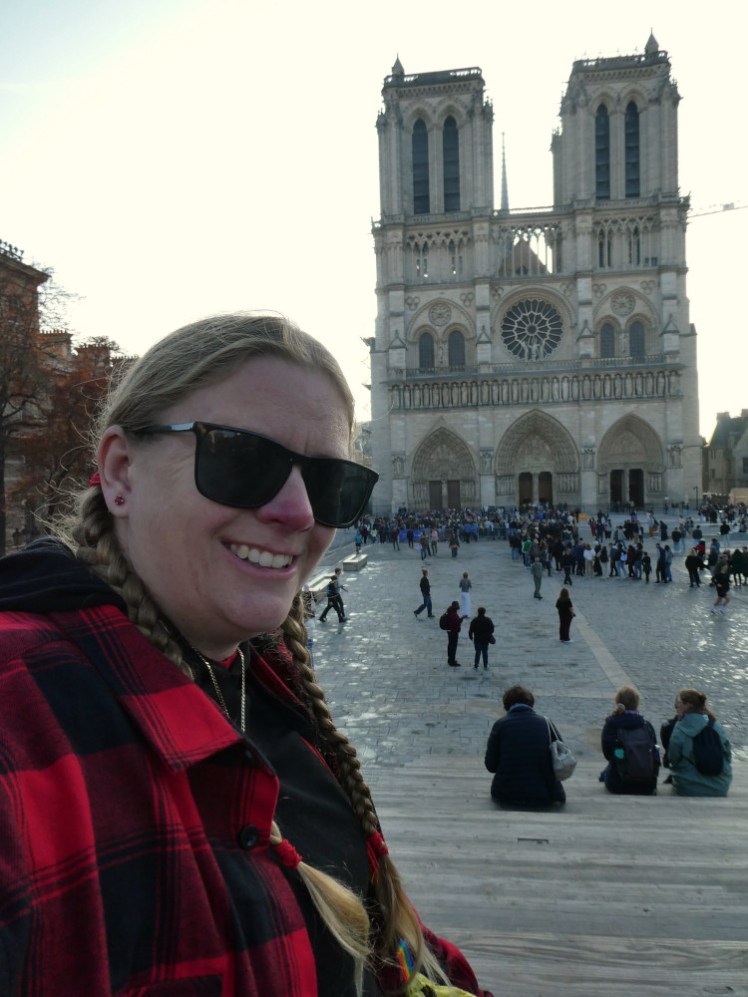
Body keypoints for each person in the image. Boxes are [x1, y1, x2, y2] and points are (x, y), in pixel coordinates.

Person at [0, 314, 490, 996]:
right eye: (240, 459)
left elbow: (390, 954)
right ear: (119, 473)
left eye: (329, 483)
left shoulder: (264, 691)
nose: (295, 511)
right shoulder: (19, 715)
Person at [484, 685, 566, 806]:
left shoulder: (500, 725)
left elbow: (491, 766)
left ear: (507, 704)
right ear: (530, 702)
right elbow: (562, 756)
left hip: (506, 792)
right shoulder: (546, 723)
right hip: (545, 792)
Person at [667, 688, 733, 797]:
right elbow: (728, 755)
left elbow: (673, 758)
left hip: (690, 787)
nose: (676, 706)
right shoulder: (716, 726)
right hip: (720, 787)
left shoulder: (680, 729)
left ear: (687, 705)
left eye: (678, 703)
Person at [599, 686, 659, 795]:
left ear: (618, 703)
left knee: (605, 774)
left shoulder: (612, 725)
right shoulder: (647, 726)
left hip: (619, 784)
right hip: (647, 785)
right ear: (637, 704)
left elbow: (608, 753)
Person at [445, 600, 466, 667]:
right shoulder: (453, 613)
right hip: (453, 631)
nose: (459, 606)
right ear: (455, 606)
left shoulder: (451, 611)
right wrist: (462, 618)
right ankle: (452, 661)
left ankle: (450, 659)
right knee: (453, 646)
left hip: (450, 631)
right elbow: (457, 622)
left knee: (450, 645)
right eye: (457, 605)